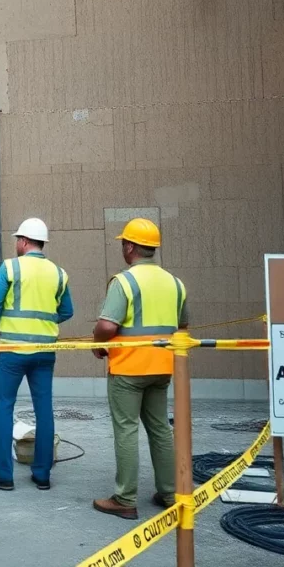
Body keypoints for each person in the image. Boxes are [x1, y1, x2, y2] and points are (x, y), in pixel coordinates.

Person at [92, 218, 188, 520]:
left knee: (126, 429)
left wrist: (97, 342)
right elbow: (183, 325)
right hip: (162, 368)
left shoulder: (125, 282)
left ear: (130, 246)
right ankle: (170, 492)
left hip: (128, 369)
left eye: (124, 243)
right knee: (160, 428)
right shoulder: (175, 283)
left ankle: (125, 498)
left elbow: (107, 325)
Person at [0, 217, 74, 491]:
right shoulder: (59, 273)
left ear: (23, 241)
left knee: (4, 406)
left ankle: (3, 474)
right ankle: (42, 474)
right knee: (44, 410)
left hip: (13, 350)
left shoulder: (11, 267)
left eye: (17, 240)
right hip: (45, 351)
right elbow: (67, 311)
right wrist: (44, 325)